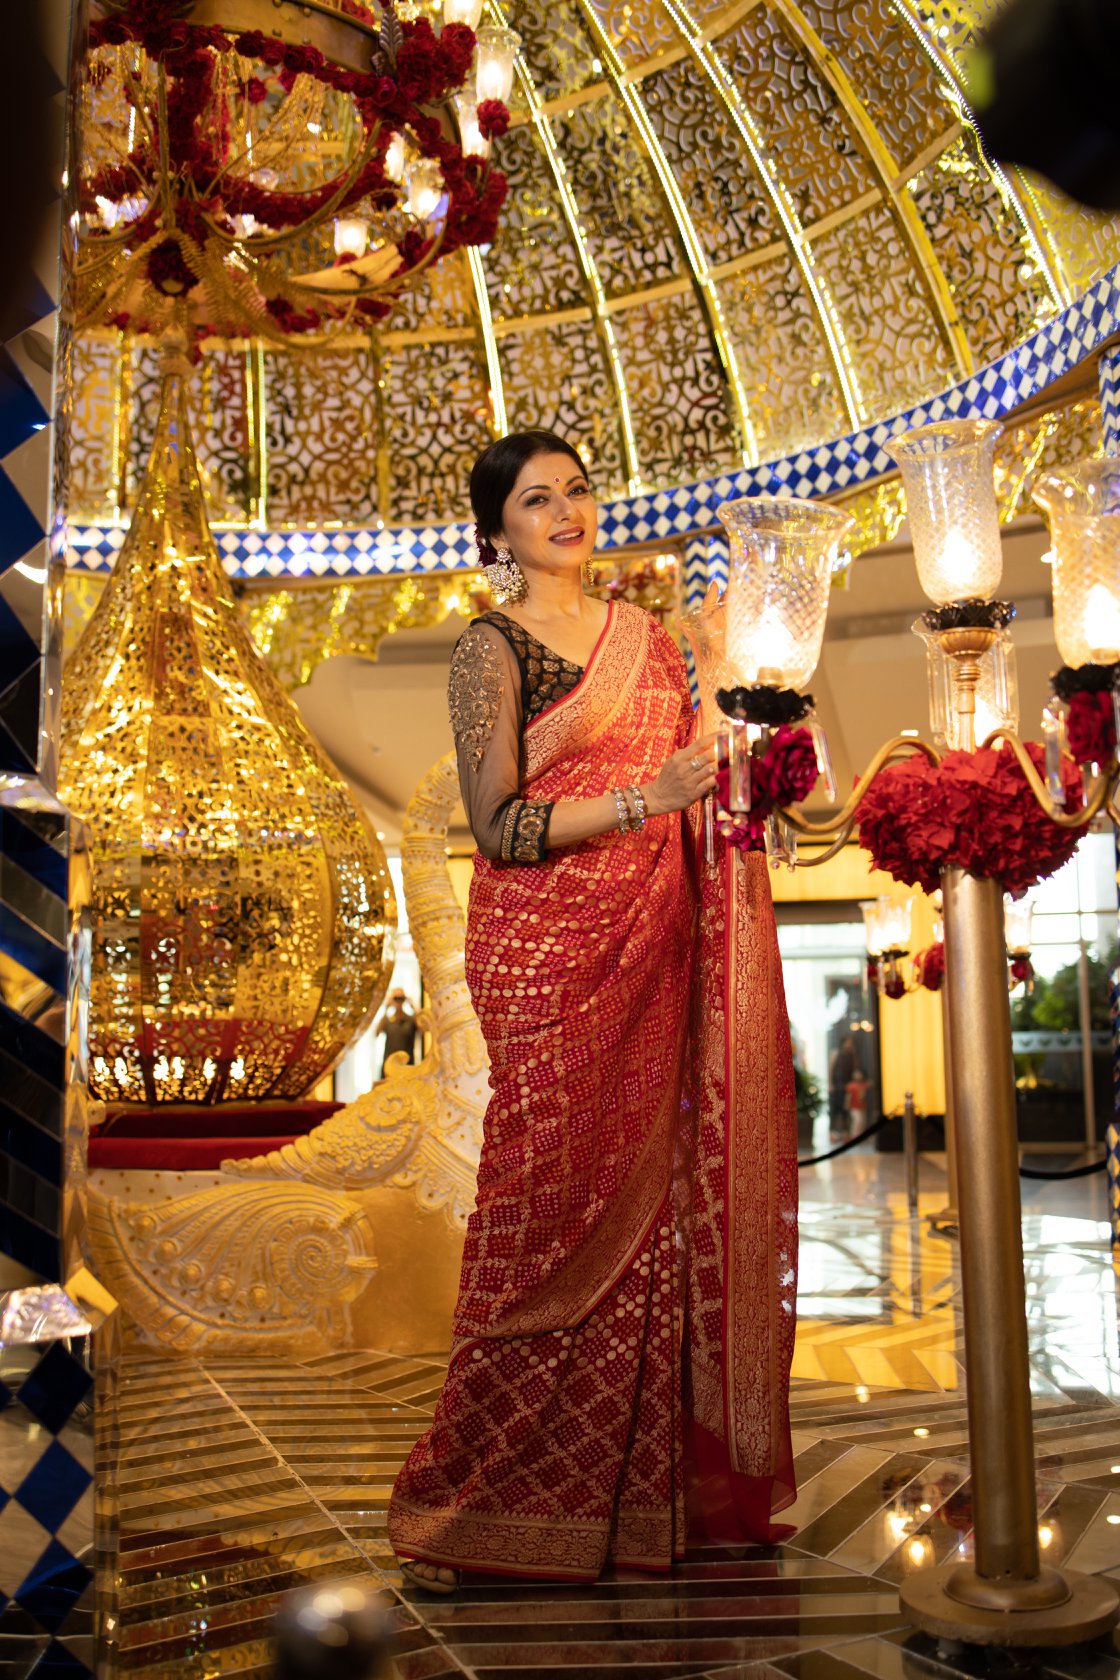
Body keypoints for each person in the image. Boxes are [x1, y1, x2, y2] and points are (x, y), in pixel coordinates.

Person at [387, 429, 798, 1592]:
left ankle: (628, 1506)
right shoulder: (490, 649)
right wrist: (640, 799)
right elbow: (497, 826)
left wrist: (739, 752)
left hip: (652, 938)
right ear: (496, 532)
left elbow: (701, 779)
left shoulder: (652, 639)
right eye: (536, 499)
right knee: (537, 1221)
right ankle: (471, 1502)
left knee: (652, 1211)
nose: (566, 511)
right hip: (543, 954)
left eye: (576, 490)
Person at [376, 988, 418, 1078]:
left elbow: (422, 1028)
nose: (398, 1002)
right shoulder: (388, 1020)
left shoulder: (411, 1020)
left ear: (404, 1000)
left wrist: (413, 1007)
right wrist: (386, 1008)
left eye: (401, 998)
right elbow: (377, 1032)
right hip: (389, 1066)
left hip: (407, 1067)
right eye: (396, 998)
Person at [828, 1034, 859, 1142]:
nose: (849, 1044)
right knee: (835, 1110)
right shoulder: (836, 1053)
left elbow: (855, 1070)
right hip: (837, 1086)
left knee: (846, 1110)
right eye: (848, 1042)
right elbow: (831, 1070)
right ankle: (833, 1133)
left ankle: (845, 1133)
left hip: (848, 1087)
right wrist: (830, 1084)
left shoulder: (852, 1056)